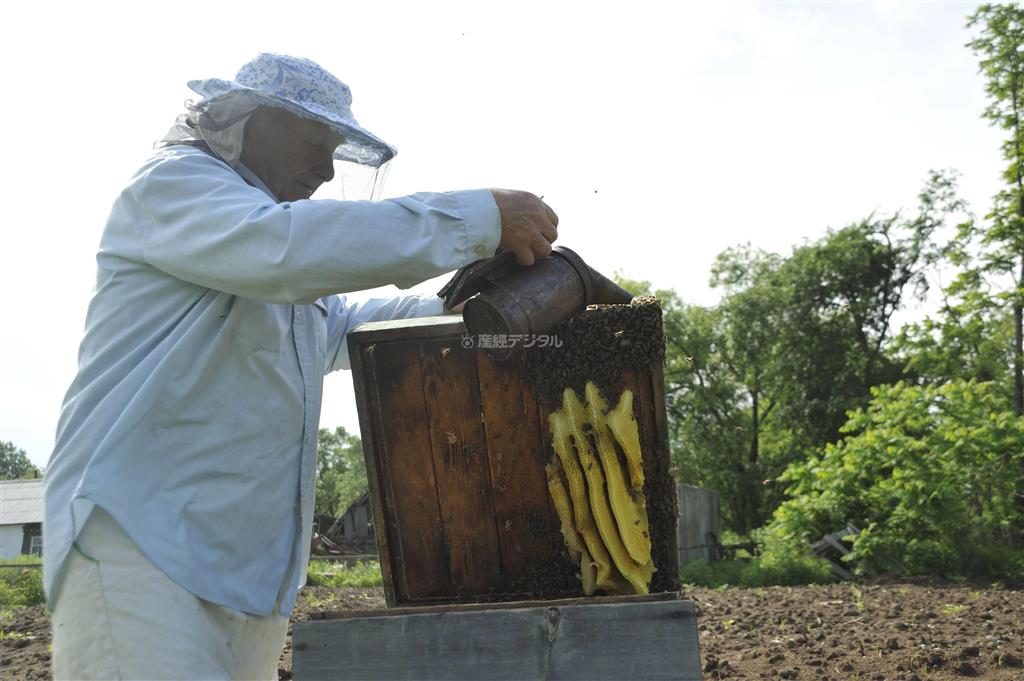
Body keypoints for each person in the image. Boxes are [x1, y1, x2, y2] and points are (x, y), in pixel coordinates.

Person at [44, 53, 558, 680]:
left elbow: (343, 325)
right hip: (136, 548)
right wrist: (475, 217)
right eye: (315, 142)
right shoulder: (174, 186)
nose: (324, 168)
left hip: (243, 572)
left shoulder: (272, 254)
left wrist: (475, 308)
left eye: (334, 150)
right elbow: (283, 249)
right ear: (248, 122)